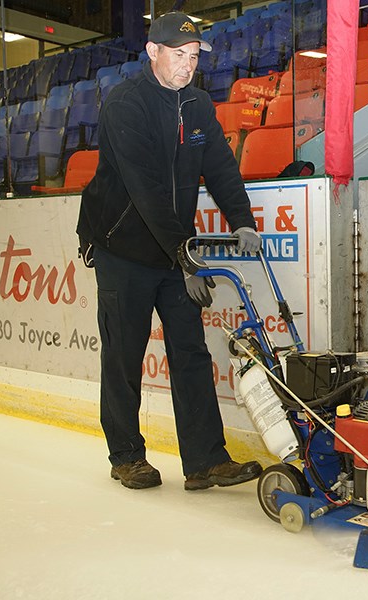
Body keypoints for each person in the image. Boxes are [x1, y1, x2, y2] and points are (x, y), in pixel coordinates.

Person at [77, 12, 263, 491]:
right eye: (178, 55)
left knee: (190, 352)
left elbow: (220, 166)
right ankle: (126, 456)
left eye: (195, 56)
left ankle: (204, 460)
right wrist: (185, 257)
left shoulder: (199, 105)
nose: (188, 65)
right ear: (153, 52)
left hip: (173, 247)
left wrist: (242, 220)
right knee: (124, 356)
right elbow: (147, 191)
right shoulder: (126, 105)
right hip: (123, 248)